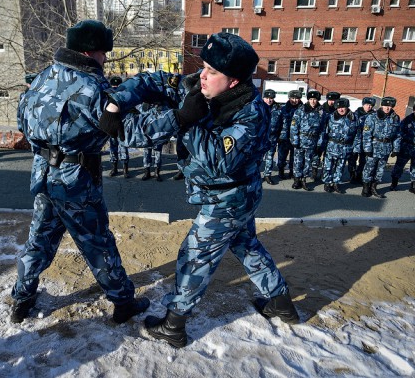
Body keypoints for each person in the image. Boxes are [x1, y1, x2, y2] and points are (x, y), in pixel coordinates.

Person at [100, 32, 299, 348]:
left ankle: (174, 325)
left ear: (233, 81)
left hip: (230, 198)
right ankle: (281, 302)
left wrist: (186, 121)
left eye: (212, 72)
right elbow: (155, 82)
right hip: (229, 196)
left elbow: (220, 160)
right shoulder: (200, 86)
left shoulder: (252, 114)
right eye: (203, 67)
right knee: (246, 245)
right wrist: (117, 102)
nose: (201, 76)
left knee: (194, 256)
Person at [11, 19, 149, 324]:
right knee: (97, 244)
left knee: (39, 240)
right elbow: (132, 133)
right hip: (76, 182)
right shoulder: (92, 87)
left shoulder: (43, 77)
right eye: (103, 54)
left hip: (44, 175)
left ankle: (21, 298)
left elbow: (23, 121)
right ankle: (123, 302)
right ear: (90, 52)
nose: (105, 60)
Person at [361, 97, 401, 198]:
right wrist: (367, 149)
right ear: (382, 105)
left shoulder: (395, 118)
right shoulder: (372, 117)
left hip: (386, 147)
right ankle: (366, 187)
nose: (387, 108)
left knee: (380, 170)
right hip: (374, 146)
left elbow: (397, 135)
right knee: (369, 168)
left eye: (390, 106)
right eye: (386, 106)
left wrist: (396, 148)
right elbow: (366, 134)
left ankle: (374, 187)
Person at [318, 98, 358, 193]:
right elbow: (324, 132)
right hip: (332, 146)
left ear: (347, 107)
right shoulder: (330, 117)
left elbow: (357, 134)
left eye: (343, 107)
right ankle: (327, 182)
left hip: (345, 147)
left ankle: (336, 183)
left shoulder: (354, 118)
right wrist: (321, 145)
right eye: (339, 107)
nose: (341, 110)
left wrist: (356, 148)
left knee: (340, 166)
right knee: (328, 166)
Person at [290, 90, 323, 191]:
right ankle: (297, 180)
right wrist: (295, 140)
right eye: (311, 99)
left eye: (315, 99)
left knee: (308, 162)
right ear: (308, 100)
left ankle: (304, 179)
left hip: (312, 141)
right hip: (301, 139)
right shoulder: (300, 110)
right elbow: (294, 126)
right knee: (298, 161)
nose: (313, 101)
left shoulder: (321, 112)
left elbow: (322, 129)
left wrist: (319, 143)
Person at [349, 97, 376, 183]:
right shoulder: (355, 114)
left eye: (371, 105)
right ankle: (352, 175)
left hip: (367, 143)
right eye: (367, 105)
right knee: (352, 159)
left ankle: (359, 175)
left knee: (363, 160)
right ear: (363, 105)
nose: (369, 107)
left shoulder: (374, 116)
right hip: (355, 142)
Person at [107, 77, 130, 177]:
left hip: (123, 125)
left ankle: (125, 169)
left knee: (123, 146)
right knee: (112, 147)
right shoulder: (107, 96)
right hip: (111, 125)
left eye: (117, 86)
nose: (115, 88)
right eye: (114, 86)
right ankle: (114, 168)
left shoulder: (125, 96)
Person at [277, 90, 303, 180]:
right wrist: (278, 135)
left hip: (297, 138)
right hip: (284, 137)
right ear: (289, 98)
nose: (294, 100)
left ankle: (292, 171)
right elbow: (278, 123)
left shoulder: (302, 109)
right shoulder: (283, 109)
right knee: (282, 155)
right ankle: (281, 170)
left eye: (296, 98)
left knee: (294, 156)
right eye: (292, 98)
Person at [261, 89, 283, 185]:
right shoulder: (258, 107)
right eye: (267, 98)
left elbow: (283, 124)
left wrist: (281, 136)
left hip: (272, 138)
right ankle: (256, 175)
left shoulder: (278, 109)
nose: (269, 100)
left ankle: (267, 175)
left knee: (270, 157)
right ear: (263, 98)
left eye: (271, 98)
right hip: (260, 138)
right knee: (258, 158)